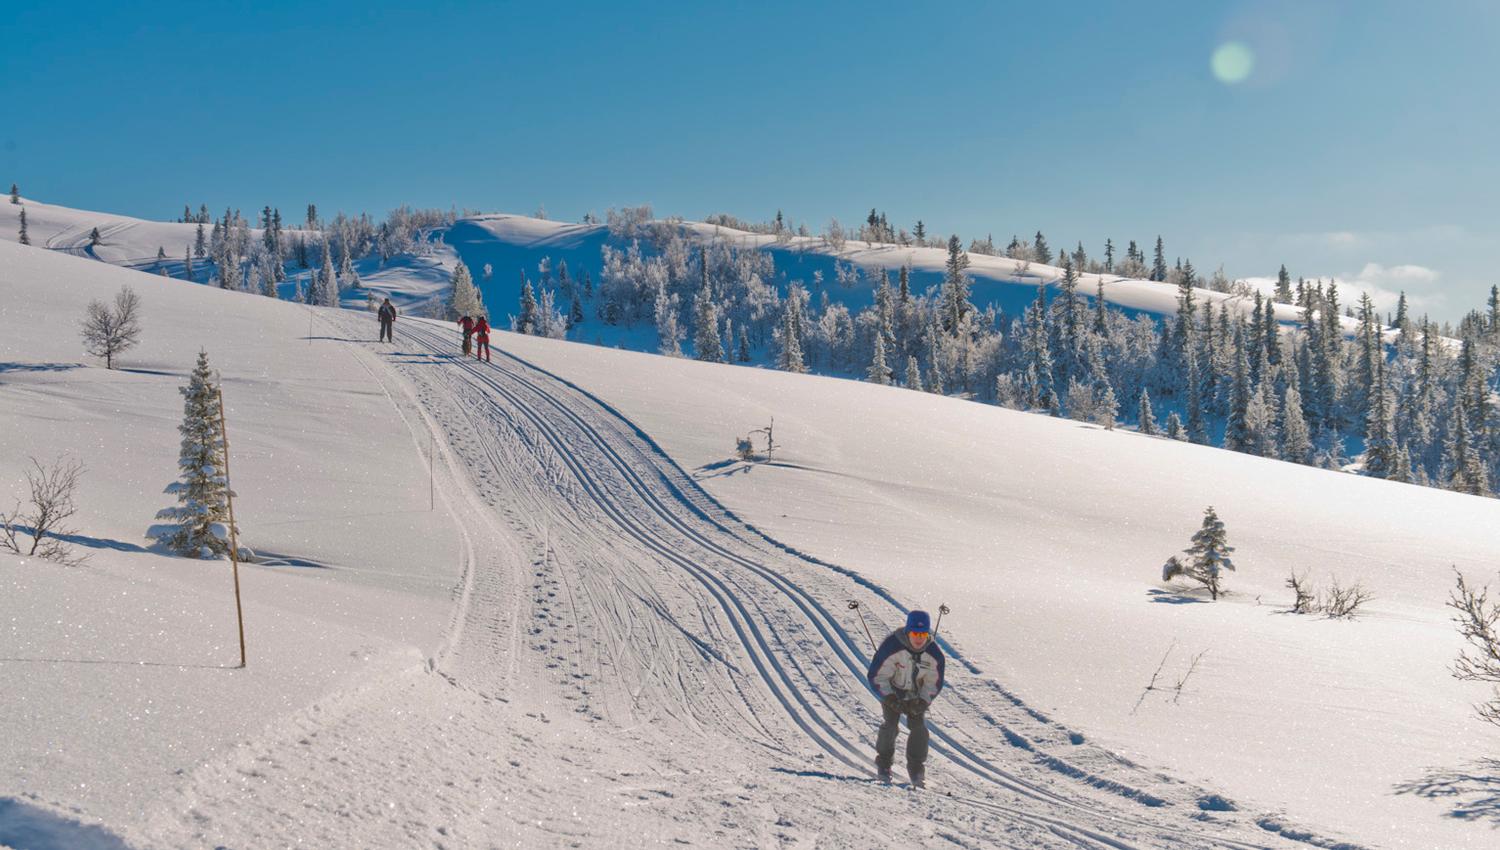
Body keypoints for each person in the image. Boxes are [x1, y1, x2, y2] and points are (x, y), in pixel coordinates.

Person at [866, 609, 945, 787]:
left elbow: (934, 681)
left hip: (916, 694)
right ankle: (884, 765)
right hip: (893, 691)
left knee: (919, 729)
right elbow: (877, 676)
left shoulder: (934, 654)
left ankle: (916, 769)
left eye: (923, 634)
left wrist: (923, 701)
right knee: (890, 725)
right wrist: (890, 698)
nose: (919, 638)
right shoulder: (892, 647)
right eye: (915, 633)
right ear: (908, 632)